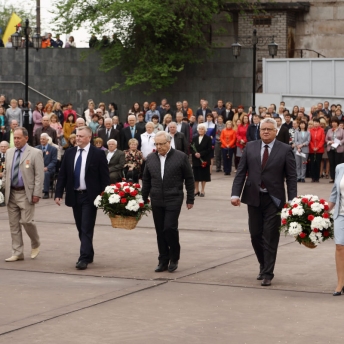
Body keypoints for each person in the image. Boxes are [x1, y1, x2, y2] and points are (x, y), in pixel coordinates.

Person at [231, 118, 297, 287]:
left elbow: (291, 177)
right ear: (259, 131)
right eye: (263, 129)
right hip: (253, 197)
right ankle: (263, 263)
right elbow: (241, 172)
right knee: (255, 235)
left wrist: (293, 200)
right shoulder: (250, 147)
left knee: (270, 236)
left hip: (274, 199)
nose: (266, 131)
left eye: (269, 129)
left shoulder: (285, 149)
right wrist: (235, 194)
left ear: (276, 131)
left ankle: (268, 272)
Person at [55, 126, 109, 270]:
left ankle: (83, 258)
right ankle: (89, 252)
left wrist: (105, 195)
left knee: (86, 226)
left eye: (80, 136)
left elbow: (104, 177)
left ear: (88, 138)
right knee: (80, 227)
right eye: (76, 135)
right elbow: (63, 175)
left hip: (90, 196)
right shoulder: (70, 153)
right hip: (74, 195)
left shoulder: (97, 154)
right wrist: (58, 193)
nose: (77, 138)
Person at [142, 131, 194, 273]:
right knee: (160, 231)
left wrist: (190, 198)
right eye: (156, 144)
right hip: (157, 198)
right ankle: (163, 259)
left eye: (161, 144)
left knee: (169, 228)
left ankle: (174, 257)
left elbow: (189, 179)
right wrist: (143, 198)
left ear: (168, 143)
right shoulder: (151, 158)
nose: (158, 147)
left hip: (174, 197)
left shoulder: (180, 157)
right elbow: (146, 180)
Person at [2, 127, 44, 262]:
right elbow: (6, 172)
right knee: (14, 225)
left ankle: (35, 242)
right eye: (14, 138)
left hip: (26, 193)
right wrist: (3, 185)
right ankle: (17, 252)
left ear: (26, 138)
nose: (16, 140)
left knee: (27, 221)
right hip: (11, 192)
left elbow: (39, 175)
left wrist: (37, 193)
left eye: (19, 138)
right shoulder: (9, 152)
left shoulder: (35, 153)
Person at [328, 164, 344, 296]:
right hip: (341, 214)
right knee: (339, 247)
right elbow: (334, 194)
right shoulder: (340, 168)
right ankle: (340, 283)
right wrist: (323, 211)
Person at [191, 123, 212, 197]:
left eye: (202, 129)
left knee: (204, 175)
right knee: (196, 175)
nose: (200, 130)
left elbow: (209, 149)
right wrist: (195, 153)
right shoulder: (194, 138)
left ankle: (202, 190)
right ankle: (196, 190)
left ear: (205, 130)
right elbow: (191, 147)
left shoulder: (208, 138)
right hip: (196, 159)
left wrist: (201, 154)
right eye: (199, 129)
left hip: (204, 159)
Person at [35, 133, 58, 199]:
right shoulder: (36, 148)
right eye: (41, 139)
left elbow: (54, 161)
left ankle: (46, 192)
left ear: (47, 140)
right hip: (38, 168)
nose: (42, 140)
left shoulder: (53, 149)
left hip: (49, 169)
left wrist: (47, 168)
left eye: (43, 139)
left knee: (46, 173)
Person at [326, 117, 344, 183]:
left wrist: (338, 142)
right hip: (331, 149)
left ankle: (338, 177)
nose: (333, 123)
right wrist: (329, 142)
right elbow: (326, 139)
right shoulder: (329, 130)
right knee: (332, 163)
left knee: (338, 164)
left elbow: (343, 139)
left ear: (337, 123)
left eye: (335, 122)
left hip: (339, 149)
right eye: (332, 122)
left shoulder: (341, 130)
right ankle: (332, 177)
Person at [309, 118, 325, 182]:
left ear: (319, 123)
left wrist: (318, 147)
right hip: (312, 150)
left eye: (317, 122)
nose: (316, 123)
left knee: (318, 164)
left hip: (319, 150)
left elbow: (322, 140)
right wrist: (313, 147)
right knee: (312, 164)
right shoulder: (310, 130)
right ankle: (313, 177)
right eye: (315, 122)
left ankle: (317, 177)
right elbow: (309, 140)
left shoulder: (322, 130)